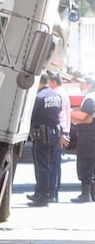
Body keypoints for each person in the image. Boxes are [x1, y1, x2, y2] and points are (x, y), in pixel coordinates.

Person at [27, 73, 62, 207]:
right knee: (52, 166)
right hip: (55, 134)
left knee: (42, 166)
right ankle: (50, 194)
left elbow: (31, 115)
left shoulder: (38, 97)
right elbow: (58, 112)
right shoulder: (56, 95)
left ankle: (42, 196)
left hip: (42, 135)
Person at [69, 76, 95, 203]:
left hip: (88, 136)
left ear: (90, 85)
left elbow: (86, 117)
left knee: (85, 163)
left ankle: (86, 195)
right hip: (90, 135)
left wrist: (68, 112)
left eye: (83, 84)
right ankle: (90, 194)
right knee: (91, 164)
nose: (81, 86)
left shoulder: (90, 98)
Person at [47, 72, 71, 202]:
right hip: (63, 131)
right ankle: (54, 192)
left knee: (53, 164)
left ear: (54, 82)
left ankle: (52, 192)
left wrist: (61, 133)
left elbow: (60, 116)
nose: (48, 85)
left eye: (49, 82)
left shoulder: (57, 94)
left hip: (59, 132)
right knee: (56, 163)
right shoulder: (63, 93)